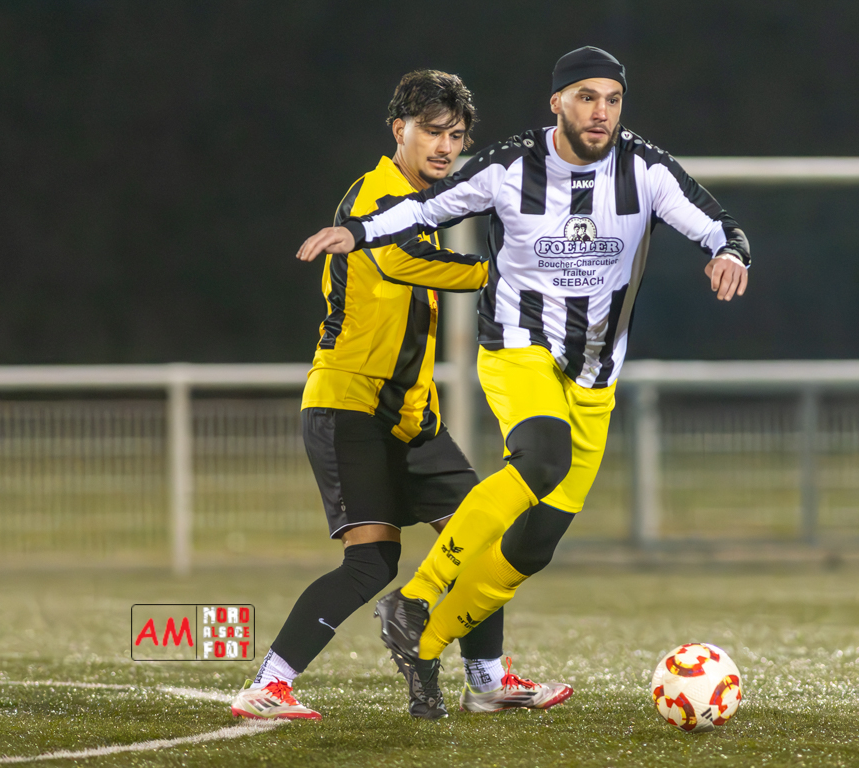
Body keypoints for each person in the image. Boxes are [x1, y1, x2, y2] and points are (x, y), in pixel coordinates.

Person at [296, 46, 751, 718]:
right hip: (517, 346)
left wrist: (729, 254)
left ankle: (427, 644)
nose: (601, 112)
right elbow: (426, 210)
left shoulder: (645, 170)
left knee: (535, 541)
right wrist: (356, 233)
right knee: (541, 457)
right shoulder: (510, 166)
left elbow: (718, 225)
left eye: (613, 99)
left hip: (595, 374)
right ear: (557, 102)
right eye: (587, 97)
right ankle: (415, 598)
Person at [230, 70, 572, 722]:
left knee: (479, 535)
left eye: (457, 135)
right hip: (350, 404)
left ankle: (487, 680)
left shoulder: (426, 204)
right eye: (433, 132)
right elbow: (396, 259)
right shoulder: (376, 195)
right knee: (371, 562)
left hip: (411, 415)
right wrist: (500, 273)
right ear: (399, 130)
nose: (446, 147)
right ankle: (269, 685)